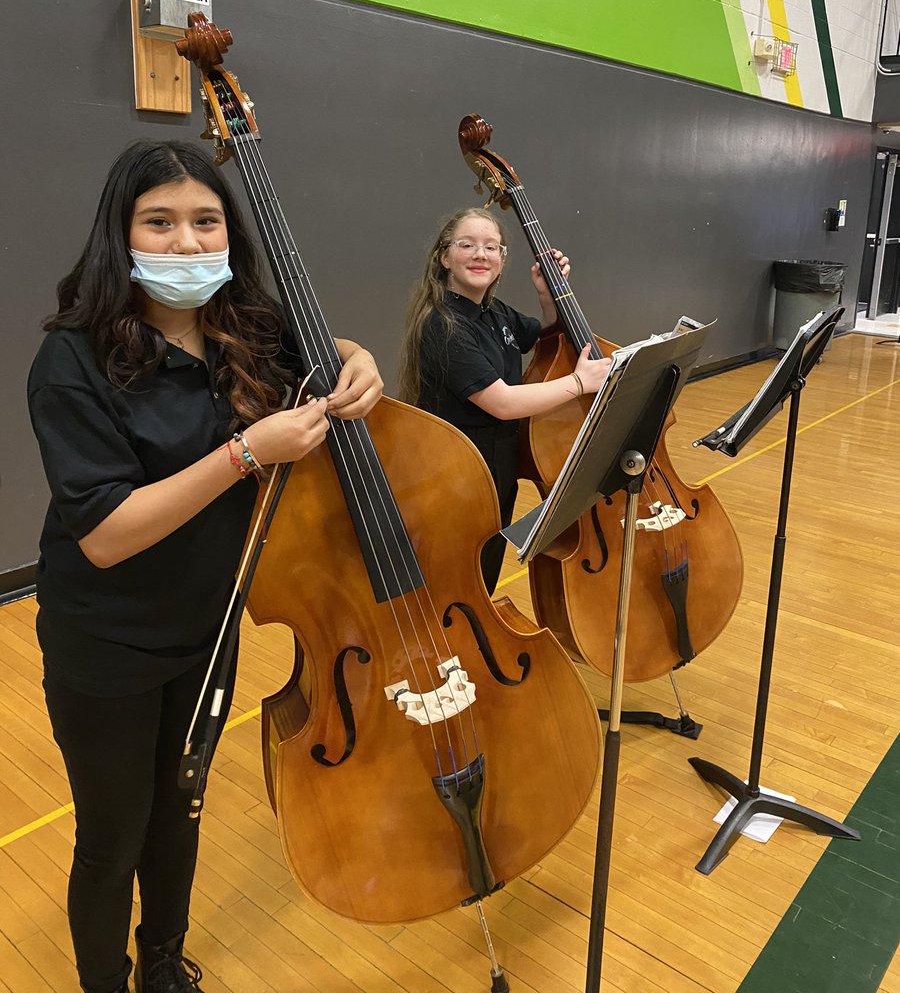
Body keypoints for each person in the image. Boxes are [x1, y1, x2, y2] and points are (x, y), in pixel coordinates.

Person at [27, 140, 383, 993]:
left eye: (205, 221)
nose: (186, 243)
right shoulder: (71, 361)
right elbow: (108, 534)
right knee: (114, 837)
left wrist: (356, 355)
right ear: (122, 235)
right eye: (159, 222)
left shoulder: (249, 332)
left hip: (208, 629)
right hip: (105, 646)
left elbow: (321, 345)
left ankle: (161, 964)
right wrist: (244, 454)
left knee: (180, 812)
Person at [398, 207, 609, 593]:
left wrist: (548, 297)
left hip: (498, 465)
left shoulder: (494, 312)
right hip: (458, 472)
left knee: (484, 572)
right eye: (468, 245)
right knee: (458, 577)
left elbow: (542, 334)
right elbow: (503, 402)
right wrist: (580, 382)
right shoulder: (441, 325)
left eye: (491, 247)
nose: (481, 254)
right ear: (445, 257)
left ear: (502, 261)